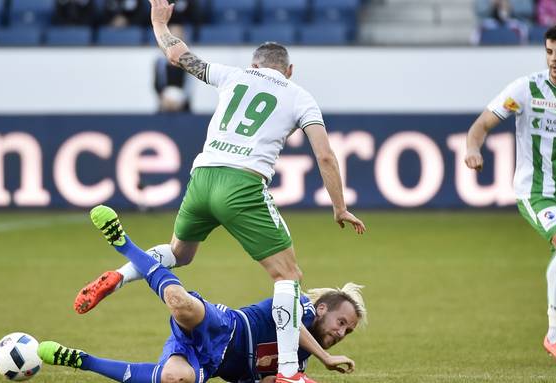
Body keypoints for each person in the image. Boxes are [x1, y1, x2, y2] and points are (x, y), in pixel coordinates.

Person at [74, 1, 366, 382]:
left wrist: (158, 22)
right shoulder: (299, 95)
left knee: (179, 253)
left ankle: (120, 274)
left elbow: (178, 55)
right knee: (288, 279)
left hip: (203, 177)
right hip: (242, 184)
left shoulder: (233, 75)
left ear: (255, 64)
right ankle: (290, 373)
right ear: (289, 70)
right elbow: (325, 156)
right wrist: (340, 206)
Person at [39, 205, 366, 383]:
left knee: (176, 379)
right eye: (341, 322)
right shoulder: (301, 310)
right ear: (322, 308)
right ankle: (123, 244)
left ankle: (80, 360)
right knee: (180, 304)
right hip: (225, 326)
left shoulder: (297, 364)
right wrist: (326, 358)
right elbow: (293, 327)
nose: (340, 333)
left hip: (209, 363)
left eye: (347, 332)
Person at [464, 24, 556, 367]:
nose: (554, 59)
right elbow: (481, 126)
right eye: (549, 52)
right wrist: (473, 148)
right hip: (536, 191)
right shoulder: (526, 88)